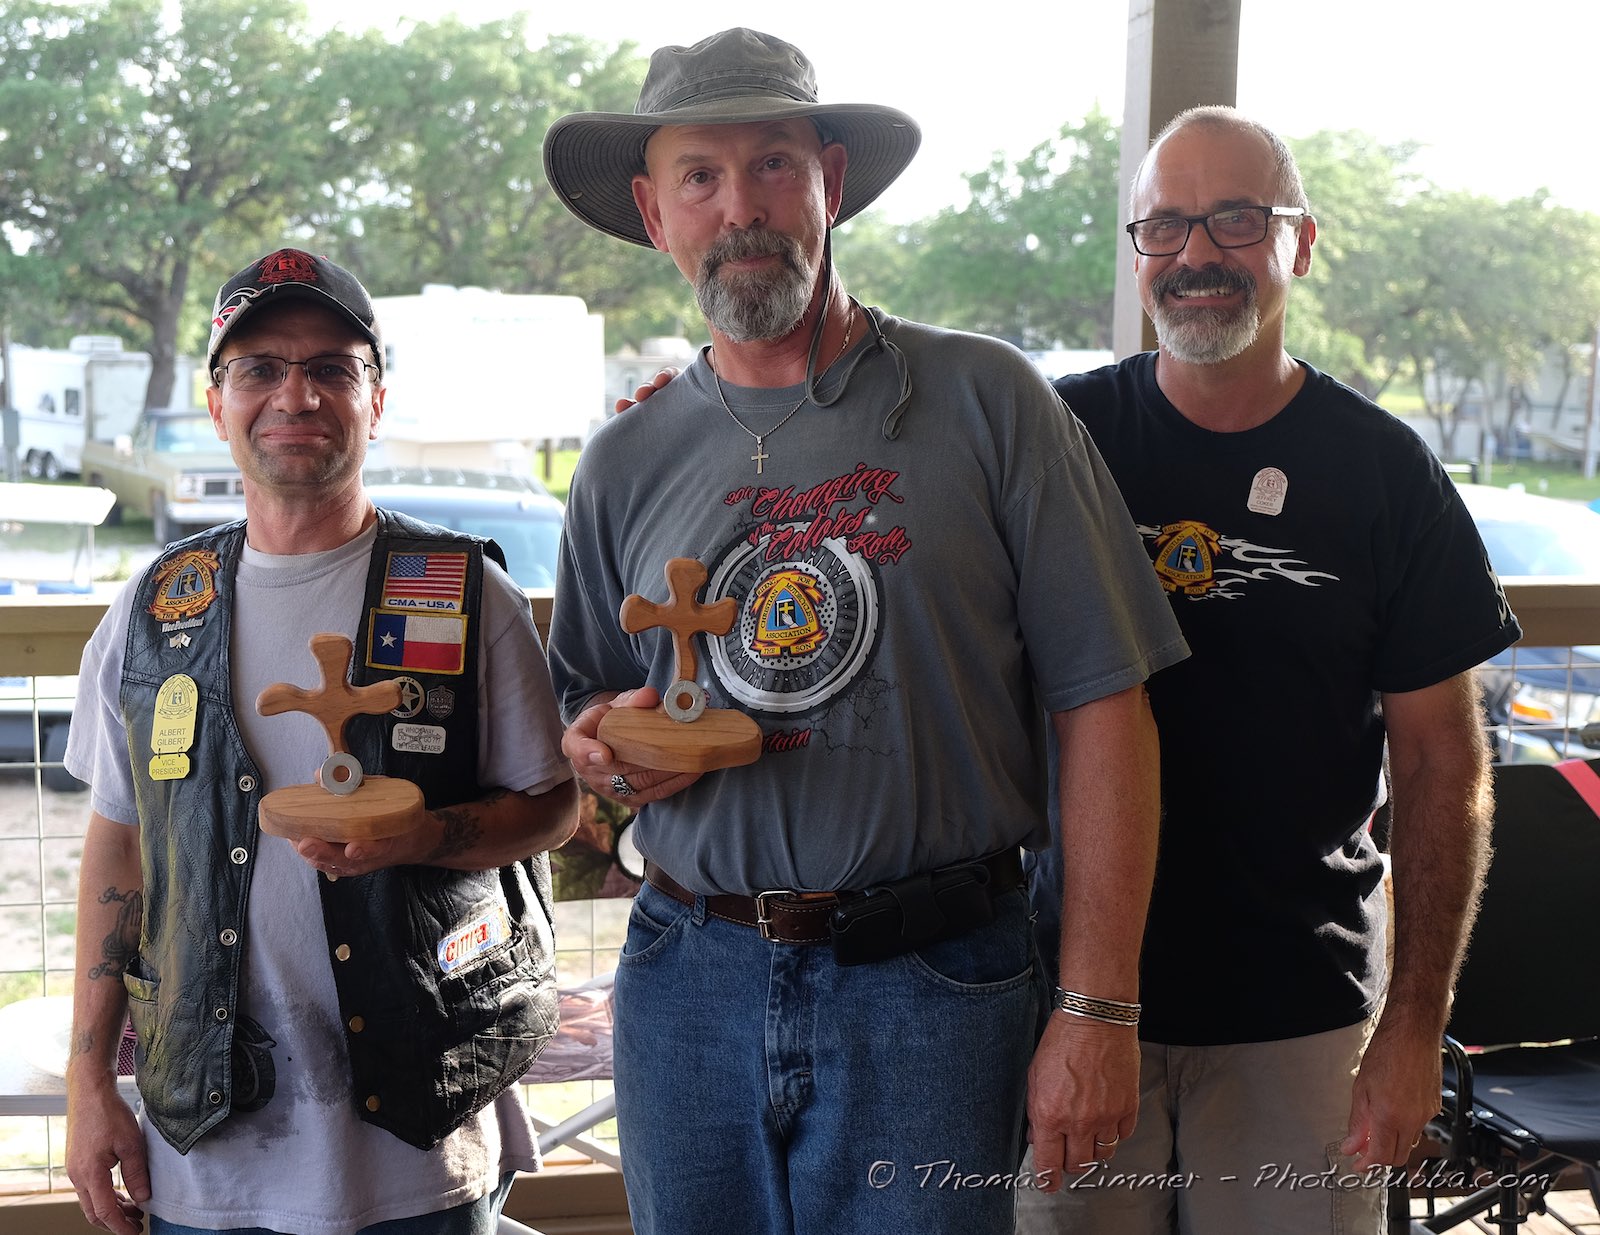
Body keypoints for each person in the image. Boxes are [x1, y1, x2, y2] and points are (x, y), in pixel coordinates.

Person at [540, 27, 1189, 1235]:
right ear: (653, 212)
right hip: (688, 974)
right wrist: (604, 747)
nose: (741, 208)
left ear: (830, 181)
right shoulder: (623, 458)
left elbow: (1106, 702)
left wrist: (1099, 1005)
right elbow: (585, 695)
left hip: (933, 982)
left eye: (774, 164)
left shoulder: (989, 401)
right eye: (699, 176)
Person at [1017, 107, 1521, 1235]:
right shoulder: (1057, 438)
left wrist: (1414, 1025)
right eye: (1166, 225)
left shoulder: (1384, 471)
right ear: (1137, 251)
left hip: (1302, 1017)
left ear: (1301, 241)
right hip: (1074, 1004)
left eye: (1236, 219)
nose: (1196, 253)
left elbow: (1441, 764)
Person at [62, 248, 578, 1235]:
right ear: (217, 404)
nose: (294, 394)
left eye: (332, 369)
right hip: (209, 1149)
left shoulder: (464, 592)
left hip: (422, 1140)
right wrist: (90, 1084)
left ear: (375, 401)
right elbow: (118, 844)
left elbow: (552, 807)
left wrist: (426, 836)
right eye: (259, 368)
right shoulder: (157, 609)